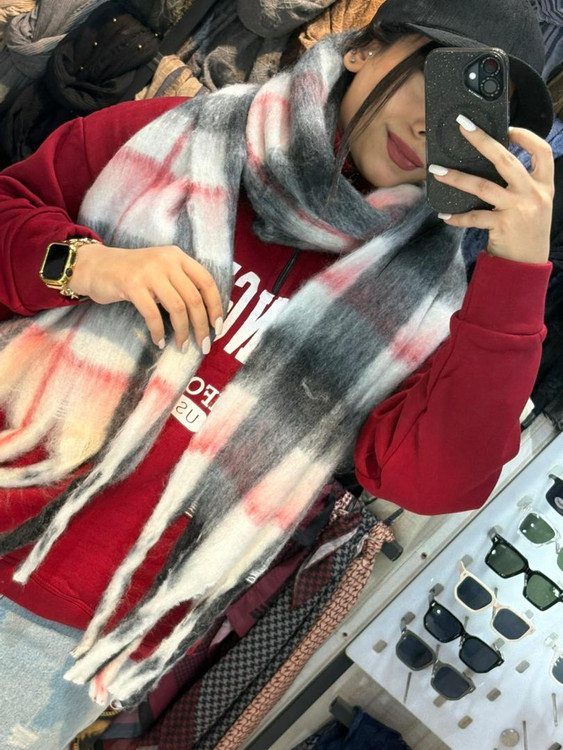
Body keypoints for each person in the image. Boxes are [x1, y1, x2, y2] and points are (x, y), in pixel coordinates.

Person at [0, 0, 555, 746]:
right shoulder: (180, 135)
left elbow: (436, 481)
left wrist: (516, 274)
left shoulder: (430, 307)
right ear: (365, 48)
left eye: (471, 120)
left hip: (75, 637)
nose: (435, 129)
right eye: (437, 77)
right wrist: (87, 264)